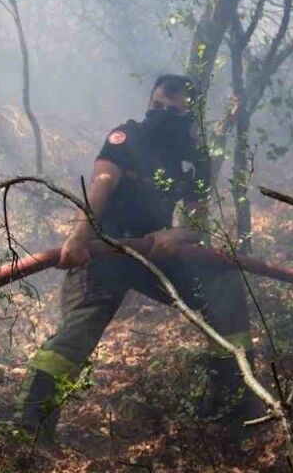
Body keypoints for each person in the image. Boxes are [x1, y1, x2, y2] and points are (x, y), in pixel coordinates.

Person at [14, 74, 259, 442]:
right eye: (156, 105)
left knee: (223, 287)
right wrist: (79, 236)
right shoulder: (126, 137)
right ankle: (30, 428)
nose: (160, 114)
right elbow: (102, 183)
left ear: (189, 115)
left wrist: (175, 235)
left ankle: (233, 408)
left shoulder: (194, 157)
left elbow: (197, 224)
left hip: (153, 254)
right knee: (79, 331)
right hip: (104, 251)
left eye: (172, 110)